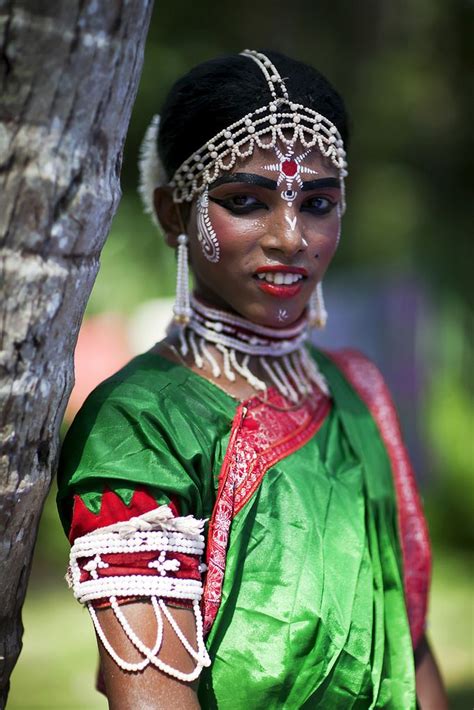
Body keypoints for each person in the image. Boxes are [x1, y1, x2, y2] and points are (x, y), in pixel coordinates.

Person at [57, 50, 448, 709]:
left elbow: (408, 644)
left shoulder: (358, 392)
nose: (291, 237)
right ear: (175, 212)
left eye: (318, 202)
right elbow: (152, 690)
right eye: (246, 201)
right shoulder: (140, 421)